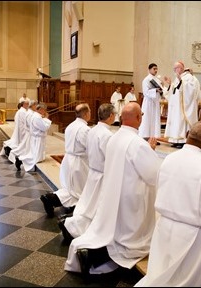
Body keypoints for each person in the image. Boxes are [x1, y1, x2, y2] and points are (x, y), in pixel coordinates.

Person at [134, 121, 201, 287]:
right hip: (192, 239)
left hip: (164, 230)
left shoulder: (167, 160)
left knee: (161, 276)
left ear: (188, 134)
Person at [64, 102, 161, 276]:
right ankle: (93, 257)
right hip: (131, 199)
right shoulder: (137, 143)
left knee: (115, 234)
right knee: (130, 244)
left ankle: (93, 254)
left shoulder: (115, 137)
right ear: (138, 118)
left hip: (114, 194)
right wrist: (151, 150)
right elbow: (153, 174)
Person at [59, 103, 116, 242]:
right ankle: (72, 226)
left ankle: (71, 223)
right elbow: (110, 157)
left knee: (87, 204)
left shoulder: (93, 130)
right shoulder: (106, 135)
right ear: (111, 116)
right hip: (100, 174)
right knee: (94, 207)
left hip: (92, 171)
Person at [40, 103, 91, 218]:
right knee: (80, 191)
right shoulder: (85, 129)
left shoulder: (70, 126)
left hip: (68, 160)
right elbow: (88, 148)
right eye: (90, 112)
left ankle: (51, 198)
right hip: (79, 163)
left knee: (71, 189)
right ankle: (75, 214)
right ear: (86, 114)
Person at [163, 61, 199, 148]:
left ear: (181, 68)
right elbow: (174, 92)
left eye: (176, 68)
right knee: (176, 122)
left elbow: (191, 90)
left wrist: (181, 81)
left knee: (181, 122)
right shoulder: (178, 78)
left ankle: (183, 141)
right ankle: (175, 140)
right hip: (175, 106)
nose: (174, 70)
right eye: (174, 68)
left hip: (183, 107)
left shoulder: (189, 77)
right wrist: (170, 85)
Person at [15, 102, 51, 172]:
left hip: (36, 138)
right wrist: (46, 118)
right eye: (44, 110)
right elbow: (44, 127)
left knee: (35, 155)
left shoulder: (36, 115)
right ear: (40, 109)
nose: (45, 112)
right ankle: (20, 160)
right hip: (37, 138)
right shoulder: (37, 117)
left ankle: (21, 160)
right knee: (35, 157)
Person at [139, 63, 164, 143]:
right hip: (148, 103)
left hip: (155, 102)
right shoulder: (146, 80)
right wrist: (155, 90)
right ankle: (145, 136)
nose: (156, 70)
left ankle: (154, 137)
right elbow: (145, 92)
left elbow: (161, 91)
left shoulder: (157, 80)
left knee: (155, 120)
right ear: (149, 69)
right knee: (147, 119)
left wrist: (161, 89)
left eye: (156, 69)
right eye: (154, 69)